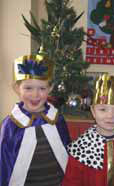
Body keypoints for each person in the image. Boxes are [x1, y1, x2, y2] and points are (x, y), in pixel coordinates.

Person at [0, 47, 71, 186]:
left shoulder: (57, 119)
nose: (35, 95)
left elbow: (67, 153)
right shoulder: (11, 125)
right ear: (16, 88)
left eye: (42, 88)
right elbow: (3, 163)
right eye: (28, 88)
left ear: (50, 89)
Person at [62, 73, 114, 186]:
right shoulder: (81, 146)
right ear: (93, 112)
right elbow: (71, 181)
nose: (110, 116)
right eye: (103, 109)